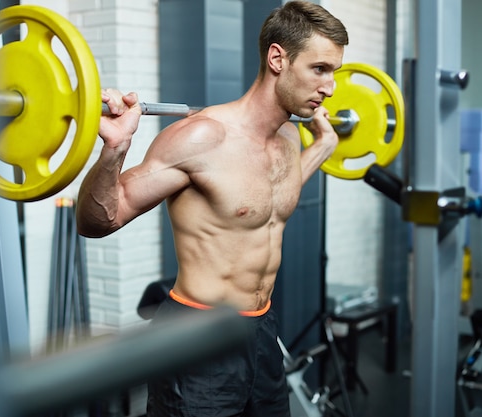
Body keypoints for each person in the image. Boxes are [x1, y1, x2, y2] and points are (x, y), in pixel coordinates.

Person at [76, 1, 348, 415]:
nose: (330, 88)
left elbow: (269, 198)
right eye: (320, 69)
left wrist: (325, 145)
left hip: (263, 332)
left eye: (334, 73)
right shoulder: (201, 138)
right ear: (278, 58)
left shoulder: (290, 141)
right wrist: (115, 149)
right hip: (197, 338)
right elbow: (98, 221)